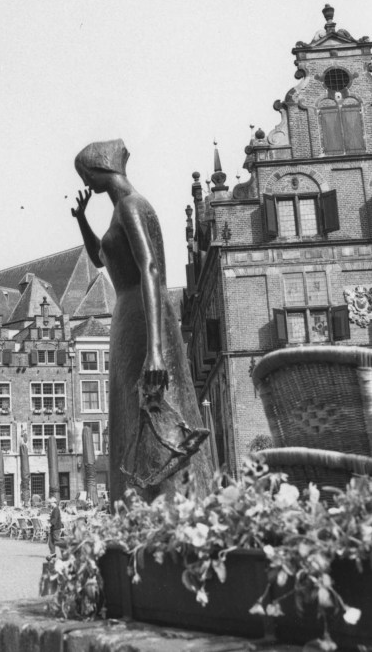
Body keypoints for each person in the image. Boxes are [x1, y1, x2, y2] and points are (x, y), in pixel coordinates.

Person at [72, 139, 215, 503]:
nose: (87, 182)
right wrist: (82, 221)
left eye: (87, 175)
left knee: (154, 409)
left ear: (100, 169)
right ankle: (134, 503)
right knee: (130, 414)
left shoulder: (132, 207)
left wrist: (156, 350)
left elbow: (151, 268)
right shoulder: (119, 210)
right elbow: (102, 258)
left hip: (143, 316)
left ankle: (171, 500)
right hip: (127, 319)